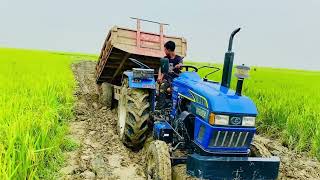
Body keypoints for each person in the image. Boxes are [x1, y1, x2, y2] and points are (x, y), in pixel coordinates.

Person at [156, 41, 183, 109]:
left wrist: (179, 65)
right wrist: (159, 77)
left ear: (169, 50)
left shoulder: (178, 58)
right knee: (162, 87)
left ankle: (177, 107)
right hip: (166, 80)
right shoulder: (165, 59)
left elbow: (181, 64)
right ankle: (160, 108)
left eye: (165, 49)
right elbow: (161, 68)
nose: (164, 51)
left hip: (175, 80)